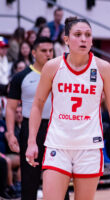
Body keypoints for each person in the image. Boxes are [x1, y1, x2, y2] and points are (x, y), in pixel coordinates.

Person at [26, 17, 110, 200]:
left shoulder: (104, 68)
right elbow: (37, 104)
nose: (84, 39)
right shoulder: (52, 66)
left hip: (89, 147)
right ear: (66, 39)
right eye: (78, 35)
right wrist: (32, 141)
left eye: (88, 35)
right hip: (58, 144)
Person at [5, 37, 65, 200]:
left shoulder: (61, 74)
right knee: (29, 178)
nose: (48, 54)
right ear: (33, 53)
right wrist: (10, 133)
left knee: (60, 174)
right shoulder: (21, 77)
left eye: (51, 51)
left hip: (56, 129)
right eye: (44, 51)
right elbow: (10, 108)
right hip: (30, 130)